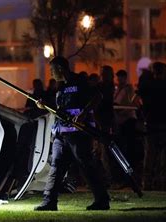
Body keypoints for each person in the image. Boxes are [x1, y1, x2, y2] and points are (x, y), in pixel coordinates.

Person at [34, 56, 110, 211]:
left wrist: (83, 113)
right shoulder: (60, 86)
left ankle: (102, 200)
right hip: (61, 134)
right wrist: (44, 106)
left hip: (78, 134)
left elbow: (98, 96)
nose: (51, 73)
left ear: (61, 68)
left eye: (52, 70)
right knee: (56, 167)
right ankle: (49, 202)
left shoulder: (80, 80)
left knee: (86, 166)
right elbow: (61, 109)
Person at [139, 62, 166, 190]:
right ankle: (164, 183)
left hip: (151, 124)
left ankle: (147, 183)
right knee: (165, 155)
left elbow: (140, 102)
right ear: (163, 72)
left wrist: (144, 117)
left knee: (149, 155)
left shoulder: (148, 86)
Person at [113, 70, 144, 186]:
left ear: (125, 77)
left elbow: (132, 104)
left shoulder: (128, 89)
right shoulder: (118, 89)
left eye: (121, 77)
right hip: (120, 122)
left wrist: (122, 110)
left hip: (128, 121)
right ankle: (124, 177)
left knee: (129, 150)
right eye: (118, 77)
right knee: (123, 150)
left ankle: (130, 177)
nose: (119, 79)